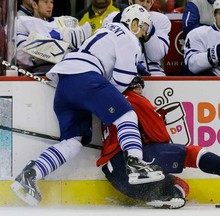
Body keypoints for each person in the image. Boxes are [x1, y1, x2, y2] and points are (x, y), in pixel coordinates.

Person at [10, 4, 165, 206]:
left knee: (74, 140)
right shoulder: (129, 38)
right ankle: (135, 164)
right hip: (86, 78)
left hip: (65, 83)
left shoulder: (104, 30)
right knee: (127, 115)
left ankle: (30, 174)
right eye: (143, 27)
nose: (144, 34)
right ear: (134, 23)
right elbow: (121, 81)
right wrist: (107, 101)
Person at [97, 75, 220, 209]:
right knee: (190, 153)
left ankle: (172, 196)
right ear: (133, 86)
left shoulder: (109, 103)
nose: (141, 90)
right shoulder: (133, 99)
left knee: (176, 184)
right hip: (129, 165)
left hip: (118, 180)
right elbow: (161, 136)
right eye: (139, 85)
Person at [103, 0, 171, 76]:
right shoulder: (112, 18)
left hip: (152, 72)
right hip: (121, 69)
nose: (144, 5)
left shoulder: (161, 20)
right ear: (131, 1)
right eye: (141, 0)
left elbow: (156, 56)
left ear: (152, 3)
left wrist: (148, 32)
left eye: (148, 1)